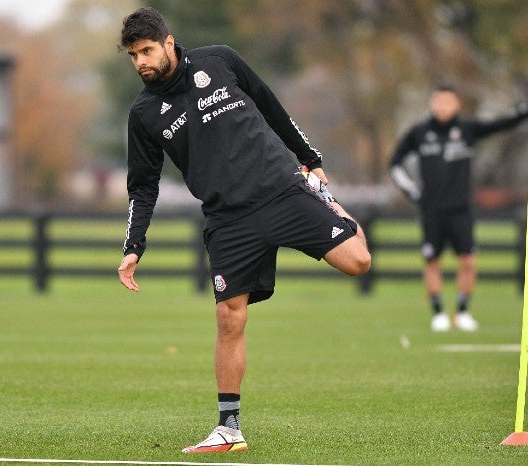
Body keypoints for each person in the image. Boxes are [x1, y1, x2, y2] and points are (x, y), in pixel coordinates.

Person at [116, 7, 371, 453]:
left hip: (282, 191)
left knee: (359, 262)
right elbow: (143, 185)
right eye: (134, 55)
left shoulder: (220, 60)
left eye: (147, 50)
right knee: (229, 316)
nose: (141, 62)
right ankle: (229, 428)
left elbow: (271, 105)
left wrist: (310, 158)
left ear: (169, 43)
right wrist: (134, 244)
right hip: (229, 219)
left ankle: (326, 200)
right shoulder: (143, 114)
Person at [390, 85, 528, 332]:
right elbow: (395, 164)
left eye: (448, 102)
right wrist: (412, 192)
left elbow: (501, 124)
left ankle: (462, 312)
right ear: (432, 104)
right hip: (431, 210)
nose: (442, 106)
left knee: (468, 261)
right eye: (438, 102)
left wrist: (522, 111)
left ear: (457, 105)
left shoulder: (468, 129)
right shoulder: (419, 133)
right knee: (432, 261)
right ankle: (438, 313)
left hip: (461, 209)